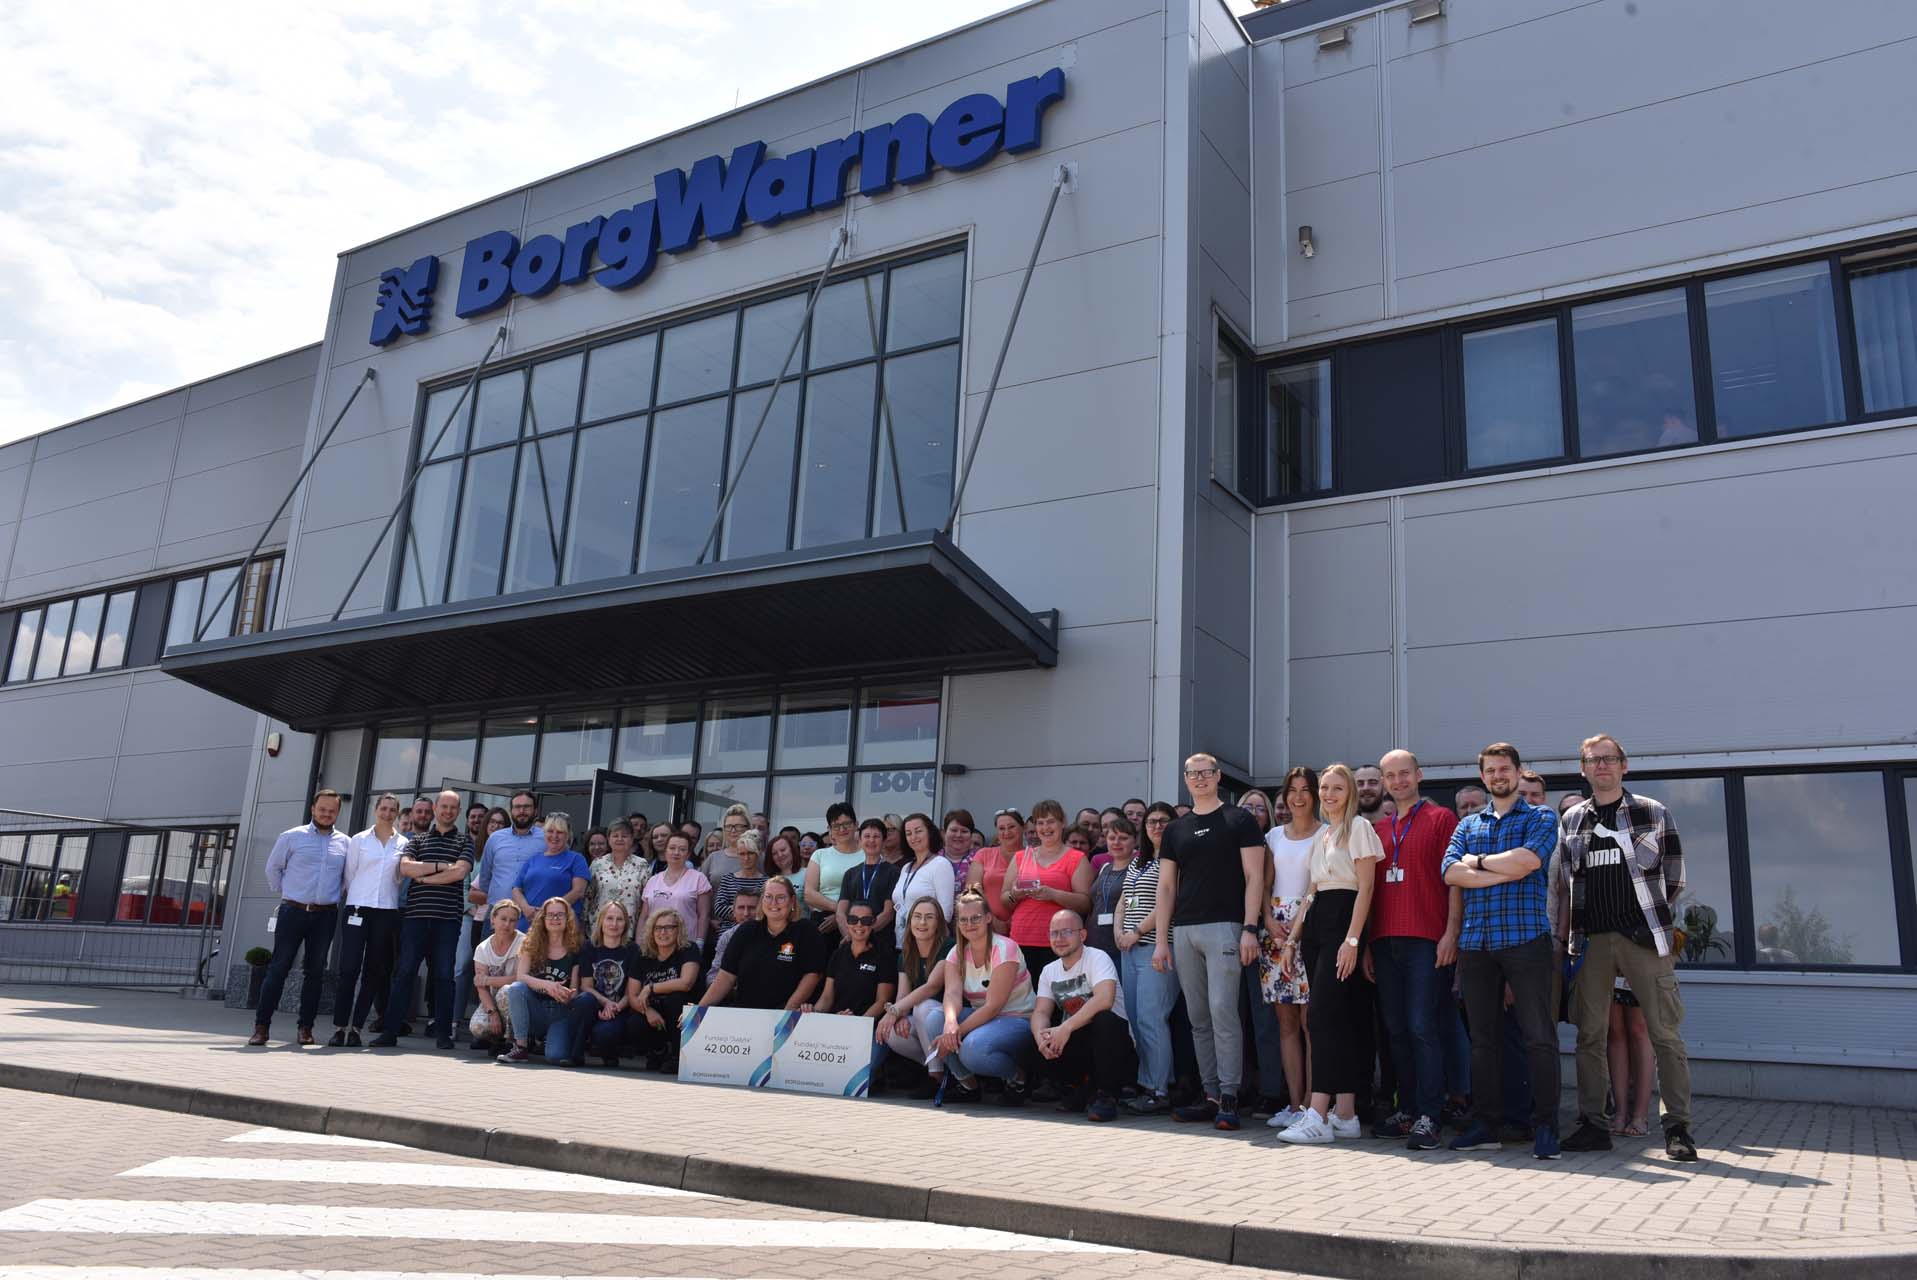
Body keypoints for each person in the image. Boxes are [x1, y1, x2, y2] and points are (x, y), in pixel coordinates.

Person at [1557, 734, 1697, 1162]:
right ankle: (1594, 1125)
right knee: (1590, 1036)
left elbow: (1674, 877)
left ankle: (1677, 1129)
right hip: (1593, 942)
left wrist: (1648, 918)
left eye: (1609, 759)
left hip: (1643, 940)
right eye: (1592, 760)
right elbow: (1565, 883)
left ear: (1624, 766)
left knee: (1665, 1035)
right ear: (1582, 769)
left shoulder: (1652, 812)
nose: (1601, 766)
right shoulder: (1573, 821)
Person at [1441, 742, 1564, 1159]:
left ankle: (1546, 1126)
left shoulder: (1541, 816)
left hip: (1525, 939)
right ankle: (1487, 1124)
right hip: (1476, 944)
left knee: (1539, 1037)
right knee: (1483, 1040)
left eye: (1505, 768)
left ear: (1517, 771)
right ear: (1483, 776)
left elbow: (1530, 861)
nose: (1498, 775)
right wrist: (1498, 867)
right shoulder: (1467, 826)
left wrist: (1477, 865)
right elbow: (1449, 872)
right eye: (1491, 770)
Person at [1156, 753, 1265, 1131]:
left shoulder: (1240, 819)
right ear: (1185, 779)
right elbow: (1167, 886)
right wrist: (1161, 942)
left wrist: (1250, 928)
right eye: (1192, 773)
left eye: (1206, 772)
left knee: (1223, 1012)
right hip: (1185, 930)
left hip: (1227, 928)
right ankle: (1212, 1095)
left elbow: (1255, 878)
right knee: (1198, 1017)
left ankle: (1231, 1096)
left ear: (1218, 776)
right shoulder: (1176, 830)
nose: (1200, 778)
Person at [1277, 764, 1384, 1144]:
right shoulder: (1324, 835)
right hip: (1317, 925)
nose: (1328, 794)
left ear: (1350, 792)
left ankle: (1318, 1114)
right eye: (1324, 787)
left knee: (1321, 1018)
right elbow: (1311, 891)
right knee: (1338, 1020)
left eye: (1337, 788)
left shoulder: (1359, 828)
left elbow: (1366, 889)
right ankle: (1346, 1114)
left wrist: (1352, 941)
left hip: (1344, 923)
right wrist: (1292, 941)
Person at [1364, 749, 1462, 1151]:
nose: (1399, 781)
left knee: (1424, 1027)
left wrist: (1451, 933)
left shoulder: (1442, 819)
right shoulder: (1379, 831)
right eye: (1391, 775)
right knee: (1397, 1030)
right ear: (1385, 782)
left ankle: (1430, 1115)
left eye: (1405, 773)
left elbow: (1455, 880)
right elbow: (1369, 893)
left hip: (1427, 939)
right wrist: (1368, 944)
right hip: (1384, 941)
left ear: (1418, 775)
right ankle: (1407, 1110)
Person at [373, 790, 474, 1050]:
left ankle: (442, 1034)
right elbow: (406, 868)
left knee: (443, 976)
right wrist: (443, 867)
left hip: (447, 920)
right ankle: (389, 1032)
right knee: (404, 973)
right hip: (416, 918)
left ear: (458, 811)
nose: (448, 811)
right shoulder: (416, 840)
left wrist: (425, 875)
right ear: (436, 808)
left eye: (453, 807)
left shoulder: (465, 841)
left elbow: (460, 872)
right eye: (444, 806)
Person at [249, 788, 351, 1047]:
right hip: (293, 911)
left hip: (325, 915)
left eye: (332, 811)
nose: (327, 814)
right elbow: (273, 868)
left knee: (315, 973)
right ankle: (261, 1027)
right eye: (322, 809)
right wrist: (289, 892)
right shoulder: (292, 837)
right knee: (278, 968)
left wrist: (329, 896)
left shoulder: (345, 843)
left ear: (338, 812)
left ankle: (305, 1028)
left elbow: (345, 879)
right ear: (313, 809)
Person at [926, 887, 1037, 1104]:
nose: (969, 924)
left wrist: (955, 1033)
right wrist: (950, 1023)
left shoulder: (1005, 948)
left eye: (976, 918)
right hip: (984, 1020)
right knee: (934, 1019)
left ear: (988, 918)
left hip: (1017, 1018)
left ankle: (1019, 1081)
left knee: (972, 1051)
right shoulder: (955, 953)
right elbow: (952, 993)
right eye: (964, 920)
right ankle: (968, 1086)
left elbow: (994, 1006)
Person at [1259, 767, 1320, 1128]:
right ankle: (1295, 1105)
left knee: (1311, 1022)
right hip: (1275, 933)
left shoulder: (1326, 835)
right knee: (1286, 1023)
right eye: (1292, 790)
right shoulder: (1272, 836)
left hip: (1309, 927)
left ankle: (1314, 1104)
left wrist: (1296, 933)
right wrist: (1267, 920)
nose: (1298, 797)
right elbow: (1263, 885)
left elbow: (1317, 886)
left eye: (1305, 790)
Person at [1031, 908, 1134, 1121]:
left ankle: (1107, 1096)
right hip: (1081, 1042)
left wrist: (1065, 1028)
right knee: (1029, 1040)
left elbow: (1105, 999)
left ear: (1082, 935)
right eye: (1054, 933)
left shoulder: (1097, 958)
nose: (1059, 939)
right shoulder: (1049, 970)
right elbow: (1041, 1011)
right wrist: (1040, 1036)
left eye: (1066, 932)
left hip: (1115, 1047)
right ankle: (1078, 1089)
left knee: (1104, 1019)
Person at [329, 793, 405, 1047]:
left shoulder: (403, 843)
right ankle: (340, 1027)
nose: (387, 813)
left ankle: (357, 1028)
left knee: (374, 971)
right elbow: (349, 874)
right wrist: (359, 897)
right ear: (375, 810)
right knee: (348, 968)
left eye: (392, 810)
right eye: (383, 808)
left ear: (397, 813)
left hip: (386, 911)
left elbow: (400, 877)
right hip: (357, 909)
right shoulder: (359, 840)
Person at [1112, 815, 1173, 1114]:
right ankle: (1148, 1083)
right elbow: (1124, 901)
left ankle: (1158, 1089)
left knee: (1152, 1018)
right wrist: (1119, 932)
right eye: (1151, 821)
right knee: (1136, 1021)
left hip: (1155, 948)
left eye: (1164, 821)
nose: (1157, 826)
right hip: (1129, 949)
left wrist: (1136, 932)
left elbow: (1167, 905)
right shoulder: (1138, 862)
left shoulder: (1173, 861)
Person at [700, 876, 825, 1010]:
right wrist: (698, 1011)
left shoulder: (806, 931)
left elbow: (812, 975)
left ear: (793, 901)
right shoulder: (746, 930)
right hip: (746, 1014)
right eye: (768, 897)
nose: (774, 903)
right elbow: (725, 977)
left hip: (786, 1016)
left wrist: (787, 1013)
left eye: (781, 897)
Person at [1002, 799, 1093, 981]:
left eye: (1051, 821)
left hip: (1059, 942)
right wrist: (1015, 894)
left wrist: (1053, 894)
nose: (1045, 827)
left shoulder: (1076, 858)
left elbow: (1085, 904)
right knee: (1022, 1001)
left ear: (1062, 823)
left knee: (1055, 1003)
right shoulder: (1021, 857)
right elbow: (1004, 900)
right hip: (1021, 938)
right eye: (1040, 823)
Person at [496, 896, 595, 1065]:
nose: (555, 919)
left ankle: (550, 1041)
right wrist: (548, 985)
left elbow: (575, 990)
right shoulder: (531, 943)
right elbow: (521, 976)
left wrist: (567, 995)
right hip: (535, 1008)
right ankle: (520, 1047)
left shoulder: (577, 947)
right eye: (550, 915)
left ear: (568, 918)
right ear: (543, 918)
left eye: (560, 915)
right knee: (515, 988)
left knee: (555, 1056)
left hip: (560, 1012)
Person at [813, 902, 896, 1085]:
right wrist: (813, 1015)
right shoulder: (838, 955)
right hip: (838, 1025)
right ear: (847, 922)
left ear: (873, 923)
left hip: (871, 1029)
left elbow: (883, 1001)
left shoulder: (884, 955)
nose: (859, 925)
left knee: (858, 1077)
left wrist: (857, 1025)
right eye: (853, 919)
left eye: (865, 920)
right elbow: (827, 997)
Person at [880, 896, 952, 1094]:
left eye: (929, 917)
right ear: (909, 920)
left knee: (923, 1007)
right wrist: (899, 1015)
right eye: (917, 917)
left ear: (938, 923)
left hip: (947, 1018)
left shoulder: (948, 947)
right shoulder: (906, 953)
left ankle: (935, 1075)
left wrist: (894, 1011)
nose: (922, 922)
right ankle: (942, 1068)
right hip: (923, 1023)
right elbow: (903, 994)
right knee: (892, 1033)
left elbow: (932, 987)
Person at [631, 908, 701, 1072]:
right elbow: (633, 995)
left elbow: (686, 983)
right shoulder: (643, 954)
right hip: (653, 1010)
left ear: (679, 930)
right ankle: (658, 1052)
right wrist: (647, 1011)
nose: (663, 932)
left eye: (669, 927)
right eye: (658, 928)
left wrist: (650, 987)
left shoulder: (689, 949)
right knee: (634, 1024)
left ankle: (677, 1056)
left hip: (681, 1009)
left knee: (675, 999)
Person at [574, 900, 642, 1067]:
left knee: (604, 1034)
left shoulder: (633, 950)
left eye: (619, 919)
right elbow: (586, 986)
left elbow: (631, 992)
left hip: (620, 1008)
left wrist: (615, 1007)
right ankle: (575, 1053)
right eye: (609, 918)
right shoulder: (589, 947)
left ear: (626, 923)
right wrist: (605, 1002)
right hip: (595, 1004)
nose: (614, 924)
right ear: (601, 921)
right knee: (584, 999)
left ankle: (610, 1054)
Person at [476, 792, 546, 928]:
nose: (522, 811)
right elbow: (485, 878)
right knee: (490, 949)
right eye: (517, 807)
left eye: (527, 807)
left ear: (535, 811)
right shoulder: (495, 838)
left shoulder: (546, 839)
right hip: (497, 912)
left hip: (531, 915)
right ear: (511, 811)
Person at [511, 813, 590, 928]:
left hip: (559, 925)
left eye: (560, 832)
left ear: (567, 835)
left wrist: (550, 911)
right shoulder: (533, 859)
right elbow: (516, 889)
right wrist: (526, 908)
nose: (554, 836)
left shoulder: (576, 859)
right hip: (528, 924)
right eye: (550, 831)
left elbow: (578, 891)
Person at [890, 812, 955, 946]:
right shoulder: (906, 868)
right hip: (902, 942)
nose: (913, 837)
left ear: (930, 833)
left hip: (928, 944)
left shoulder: (940, 864)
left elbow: (946, 913)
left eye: (918, 831)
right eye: (908, 833)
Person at [468, 899, 524, 1052]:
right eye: (503, 919)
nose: (507, 924)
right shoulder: (482, 948)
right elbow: (481, 987)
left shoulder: (524, 943)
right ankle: (495, 1039)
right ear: (493, 919)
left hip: (517, 998)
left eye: (512, 920)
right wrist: (492, 1013)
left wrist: (488, 979)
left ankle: (512, 1041)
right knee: (477, 1027)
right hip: (493, 998)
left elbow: (520, 978)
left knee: (508, 990)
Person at [804, 802, 863, 939]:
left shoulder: (869, 855)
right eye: (836, 825)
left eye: (847, 824)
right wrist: (839, 911)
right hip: (823, 921)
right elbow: (809, 894)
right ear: (829, 829)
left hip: (859, 922)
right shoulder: (820, 855)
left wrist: (842, 916)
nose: (842, 829)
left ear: (856, 824)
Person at [641, 832, 712, 944]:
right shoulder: (652, 880)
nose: (676, 852)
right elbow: (644, 917)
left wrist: (699, 942)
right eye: (672, 848)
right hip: (654, 945)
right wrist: (640, 942)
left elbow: (704, 915)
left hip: (685, 944)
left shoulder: (699, 879)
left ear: (688, 854)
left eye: (682, 849)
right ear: (665, 851)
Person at [838, 818, 901, 937]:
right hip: (852, 941)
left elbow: (888, 913)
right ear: (860, 841)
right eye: (867, 836)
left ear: (884, 841)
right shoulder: (850, 873)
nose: (871, 840)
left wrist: (861, 934)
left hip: (880, 940)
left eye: (876, 836)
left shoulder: (894, 872)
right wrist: (851, 935)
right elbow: (840, 912)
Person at [965, 809, 1023, 935]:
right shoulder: (984, 854)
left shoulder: (1032, 856)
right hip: (986, 926)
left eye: (1011, 827)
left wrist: (1013, 922)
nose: (1006, 832)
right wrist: (994, 921)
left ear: (1022, 828)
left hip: (1023, 926)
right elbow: (972, 889)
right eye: (1001, 828)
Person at [585, 820, 650, 927]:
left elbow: (646, 901)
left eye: (624, 836)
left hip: (630, 928)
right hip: (599, 928)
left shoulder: (642, 864)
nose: (620, 839)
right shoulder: (597, 863)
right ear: (609, 839)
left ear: (631, 839)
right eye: (615, 836)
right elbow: (588, 897)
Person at [1086, 816, 1133, 959]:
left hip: (1119, 945)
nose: (1116, 843)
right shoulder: (1104, 868)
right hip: (1094, 943)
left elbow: (1137, 904)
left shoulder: (1138, 870)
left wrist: (1126, 905)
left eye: (1123, 838)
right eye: (1112, 838)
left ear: (1135, 841)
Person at [712, 829, 768, 926]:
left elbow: (766, 910)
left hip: (757, 934)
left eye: (750, 853)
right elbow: (719, 908)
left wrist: (737, 909)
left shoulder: (767, 882)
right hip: (728, 934)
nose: (746, 858)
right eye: (742, 854)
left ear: (758, 853)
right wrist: (753, 910)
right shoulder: (728, 879)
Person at [704, 886, 761, 976]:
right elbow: (714, 973)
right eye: (741, 908)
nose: (746, 913)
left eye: (752, 908)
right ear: (733, 912)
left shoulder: (772, 934)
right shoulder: (726, 937)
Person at [704, 804, 752, 882]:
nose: (733, 830)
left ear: (748, 828)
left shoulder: (758, 857)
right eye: (728, 826)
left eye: (738, 826)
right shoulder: (713, 858)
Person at [942, 809, 978, 888]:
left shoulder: (979, 859)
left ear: (971, 836)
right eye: (954, 830)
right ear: (944, 833)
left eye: (964, 831)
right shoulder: (932, 858)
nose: (958, 835)